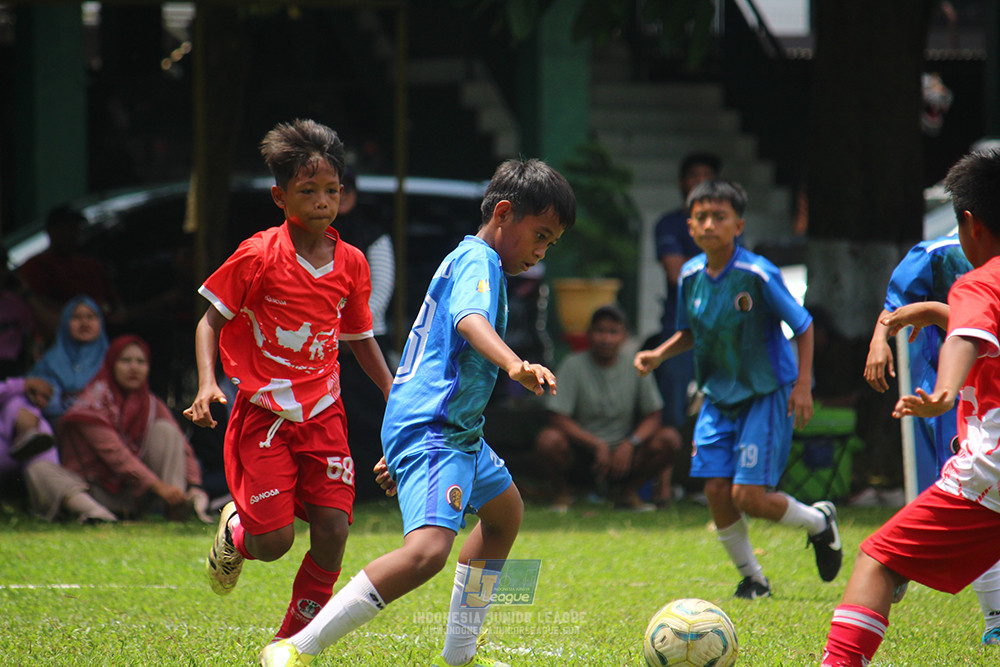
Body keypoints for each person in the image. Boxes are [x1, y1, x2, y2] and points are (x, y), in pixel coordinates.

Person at [258, 157, 576, 667]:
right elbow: (471, 322)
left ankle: (459, 656)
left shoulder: (474, 260)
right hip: (436, 428)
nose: (540, 253)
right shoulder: (479, 262)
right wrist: (516, 365)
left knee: (504, 513)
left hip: (453, 430)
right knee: (427, 553)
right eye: (539, 236)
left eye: (550, 244)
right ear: (503, 213)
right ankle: (298, 647)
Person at [182, 119, 394, 644]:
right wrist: (208, 383)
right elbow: (210, 320)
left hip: (324, 412)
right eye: (308, 191)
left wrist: (397, 396)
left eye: (332, 190)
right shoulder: (258, 255)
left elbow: (361, 338)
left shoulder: (352, 263)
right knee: (274, 541)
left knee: (333, 532)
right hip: (265, 415)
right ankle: (238, 529)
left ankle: (290, 646)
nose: (323, 201)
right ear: (280, 196)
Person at [821, 150, 1000, 666]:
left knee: (879, 559)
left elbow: (969, 335)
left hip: (992, 469)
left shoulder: (977, 279)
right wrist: (937, 311)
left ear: (968, 223)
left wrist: (945, 390)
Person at [634, 179, 841, 600]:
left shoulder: (757, 273)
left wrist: (803, 385)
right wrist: (657, 354)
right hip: (717, 397)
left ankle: (819, 522)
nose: (710, 224)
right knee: (714, 489)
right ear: (690, 225)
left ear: (738, 225)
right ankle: (754, 579)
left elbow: (803, 326)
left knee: (748, 496)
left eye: (720, 217)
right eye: (701, 217)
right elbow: (691, 332)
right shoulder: (690, 275)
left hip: (766, 394)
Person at [865, 232, 1000, 645]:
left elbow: (966, 325)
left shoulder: (980, 277)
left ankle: (900, 561)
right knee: (967, 492)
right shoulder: (936, 254)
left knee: (972, 496)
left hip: (968, 400)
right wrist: (878, 343)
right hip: (953, 393)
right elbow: (899, 309)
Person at [534, 303, 680, 511]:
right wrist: (595, 444)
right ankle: (564, 494)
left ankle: (628, 493)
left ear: (625, 337)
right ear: (589, 334)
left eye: (613, 332)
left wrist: (630, 443)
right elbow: (557, 417)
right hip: (582, 452)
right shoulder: (572, 364)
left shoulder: (636, 365)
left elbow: (653, 415)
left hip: (626, 453)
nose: (606, 339)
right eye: (600, 331)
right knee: (548, 440)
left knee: (669, 439)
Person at [57, 334, 209, 521]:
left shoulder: (150, 403)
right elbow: (116, 455)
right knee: (40, 469)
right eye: (125, 360)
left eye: (140, 361)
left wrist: (195, 484)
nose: (134, 368)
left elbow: (182, 445)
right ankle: (96, 514)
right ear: (111, 364)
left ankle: (175, 508)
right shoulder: (91, 404)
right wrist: (159, 487)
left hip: (136, 491)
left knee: (166, 431)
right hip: (93, 489)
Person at [651, 152, 721, 505]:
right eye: (693, 176)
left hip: (722, 331)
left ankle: (718, 489)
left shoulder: (728, 227)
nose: (699, 183)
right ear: (682, 182)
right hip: (680, 328)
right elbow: (678, 276)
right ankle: (664, 489)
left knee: (722, 404)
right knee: (672, 409)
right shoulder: (668, 225)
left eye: (706, 177)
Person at [333, 169, 396, 501]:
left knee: (371, 419)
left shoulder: (373, 236)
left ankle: (374, 490)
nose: (336, 200)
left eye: (342, 192)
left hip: (367, 341)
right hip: (324, 347)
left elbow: (379, 295)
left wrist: (349, 335)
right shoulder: (314, 240)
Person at [0, 375, 117, 523]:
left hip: (23, 455)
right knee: (20, 401)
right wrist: (23, 385)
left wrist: (31, 392)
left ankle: (91, 510)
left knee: (23, 407)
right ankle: (86, 508)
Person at [17, 205, 123, 342]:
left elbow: (116, 304)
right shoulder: (37, 265)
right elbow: (37, 303)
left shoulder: (91, 265)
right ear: (51, 231)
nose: (72, 233)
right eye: (66, 228)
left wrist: (115, 315)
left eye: (76, 228)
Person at [27, 296, 109, 425]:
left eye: (90, 317)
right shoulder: (49, 362)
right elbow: (37, 397)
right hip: (60, 426)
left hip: (105, 425)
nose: (84, 323)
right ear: (65, 322)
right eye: (77, 317)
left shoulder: (113, 359)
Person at [0, 249, 36, 379]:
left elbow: (33, 340)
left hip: (16, 373)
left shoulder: (17, 303)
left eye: (2, 266)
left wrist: (27, 293)